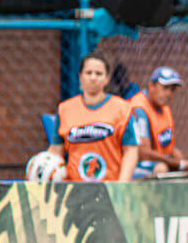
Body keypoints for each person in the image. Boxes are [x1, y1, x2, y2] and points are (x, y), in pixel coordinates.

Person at [48, 52, 139, 182]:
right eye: (88, 73)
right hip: (75, 187)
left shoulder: (122, 108)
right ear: (80, 76)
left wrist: (122, 185)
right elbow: (56, 150)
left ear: (107, 78)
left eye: (99, 73)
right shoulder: (65, 109)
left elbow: (131, 150)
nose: (93, 77)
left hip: (110, 186)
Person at [129, 67, 188, 177]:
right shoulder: (139, 109)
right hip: (132, 164)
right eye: (165, 87)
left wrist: (177, 157)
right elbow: (143, 153)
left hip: (156, 161)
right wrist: (179, 164)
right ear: (151, 86)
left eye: (172, 89)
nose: (169, 93)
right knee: (161, 168)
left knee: (183, 162)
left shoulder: (164, 108)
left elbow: (166, 146)